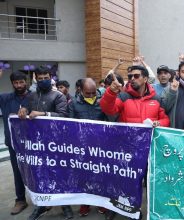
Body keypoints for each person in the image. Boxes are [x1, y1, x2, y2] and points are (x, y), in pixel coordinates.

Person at [17, 66, 72, 220]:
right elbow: (26, 109)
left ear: (51, 77)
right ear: (36, 78)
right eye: (40, 79)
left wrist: (43, 114)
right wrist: (22, 110)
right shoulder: (31, 96)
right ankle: (41, 206)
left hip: (56, 142)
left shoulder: (58, 96)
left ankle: (65, 206)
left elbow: (63, 115)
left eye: (46, 77)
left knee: (59, 174)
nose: (43, 81)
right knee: (41, 175)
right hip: (37, 143)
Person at [68, 78, 106, 217]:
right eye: (87, 93)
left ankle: (103, 203)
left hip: (101, 146)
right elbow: (70, 125)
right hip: (82, 146)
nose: (91, 96)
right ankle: (85, 203)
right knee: (84, 176)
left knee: (102, 175)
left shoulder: (103, 102)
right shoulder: (73, 104)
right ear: (80, 90)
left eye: (93, 92)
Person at [0, 71, 30, 215]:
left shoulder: (35, 97)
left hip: (33, 144)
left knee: (37, 171)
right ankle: (20, 200)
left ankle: (43, 201)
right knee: (17, 172)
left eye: (21, 82)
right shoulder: (5, 98)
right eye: (15, 83)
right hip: (13, 143)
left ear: (26, 81)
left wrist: (28, 109)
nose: (18, 85)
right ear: (12, 84)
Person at [100, 65, 169, 127]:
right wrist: (111, 92)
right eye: (130, 76)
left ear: (145, 79)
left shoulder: (156, 98)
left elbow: (165, 119)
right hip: (128, 140)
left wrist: (159, 123)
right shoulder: (123, 97)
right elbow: (108, 109)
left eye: (136, 76)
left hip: (149, 140)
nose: (132, 78)